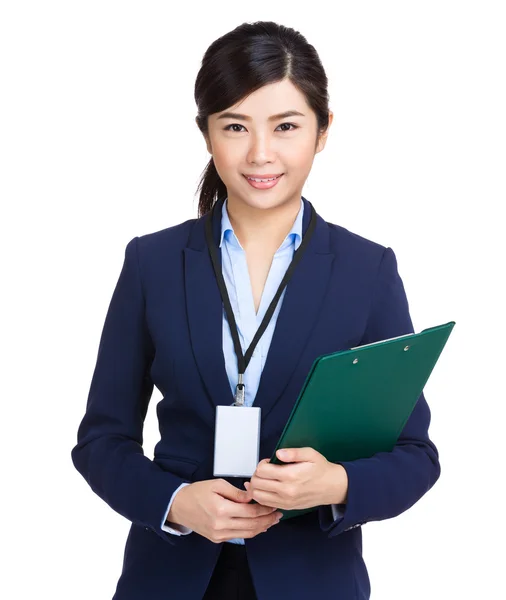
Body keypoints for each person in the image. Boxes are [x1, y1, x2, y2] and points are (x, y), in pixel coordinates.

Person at [71, 20, 441, 600]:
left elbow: (416, 457)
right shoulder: (153, 262)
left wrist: (336, 484)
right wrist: (174, 503)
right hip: (169, 578)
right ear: (207, 133)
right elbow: (101, 440)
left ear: (322, 133)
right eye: (235, 126)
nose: (260, 153)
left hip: (313, 580)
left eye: (286, 126)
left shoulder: (367, 270)